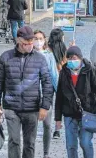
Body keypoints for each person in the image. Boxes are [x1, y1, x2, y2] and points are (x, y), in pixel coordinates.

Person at [0, 26, 53, 158]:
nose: (30, 46)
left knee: (29, 143)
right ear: (19, 41)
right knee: (14, 140)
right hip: (11, 107)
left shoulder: (40, 59)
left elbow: (47, 83)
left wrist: (45, 106)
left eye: (32, 43)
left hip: (32, 108)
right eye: (27, 44)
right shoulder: (6, 57)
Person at [55, 46, 96, 158]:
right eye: (69, 58)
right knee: (71, 145)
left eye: (74, 58)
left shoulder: (90, 70)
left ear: (80, 58)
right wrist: (58, 118)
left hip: (87, 113)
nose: (71, 61)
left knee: (85, 143)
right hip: (69, 114)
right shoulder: (64, 72)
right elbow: (59, 96)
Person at [33, 30, 58, 158]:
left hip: (46, 95)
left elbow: (54, 75)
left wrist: (59, 92)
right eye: (35, 38)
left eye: (40, 38)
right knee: (32, 126)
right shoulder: (29, 54)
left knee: (47, 125)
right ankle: (30, 151)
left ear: (44, 40)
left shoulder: (49, 55)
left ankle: (46, 153)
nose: (38, 41)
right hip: (31, 96)